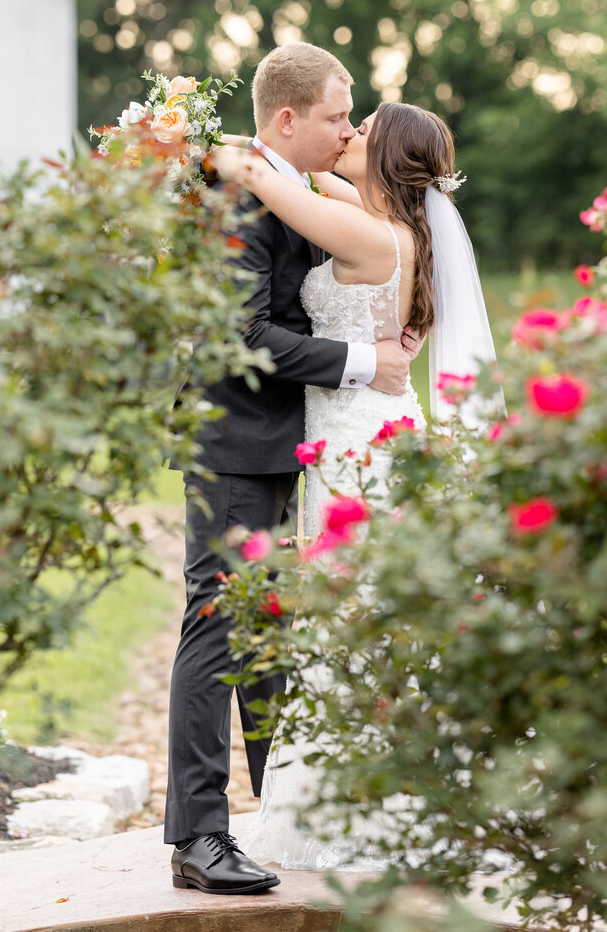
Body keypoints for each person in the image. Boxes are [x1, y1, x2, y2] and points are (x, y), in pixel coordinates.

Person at [213, 99, 497, 871]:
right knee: (362, 618)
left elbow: (266, 178)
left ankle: (372, 820)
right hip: (366, 429)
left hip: (357, 445)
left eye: (361, 128)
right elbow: (305, 180)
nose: (347, 134)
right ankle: (385, 801)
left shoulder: (370, 233)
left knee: (356, 622)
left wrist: (197, 134)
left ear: (386, 156)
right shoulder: (383, 221)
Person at [164, 44, 416, 895]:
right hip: (234, 443)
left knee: (266, 632)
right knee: (218, 627)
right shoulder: (237, 192)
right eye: (339, 115)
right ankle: (198, 838)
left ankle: (277, 814)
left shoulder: (289, 187)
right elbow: (233, 339)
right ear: (288, 119)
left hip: (287, 448)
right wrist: (361, 361)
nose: (349, 128)